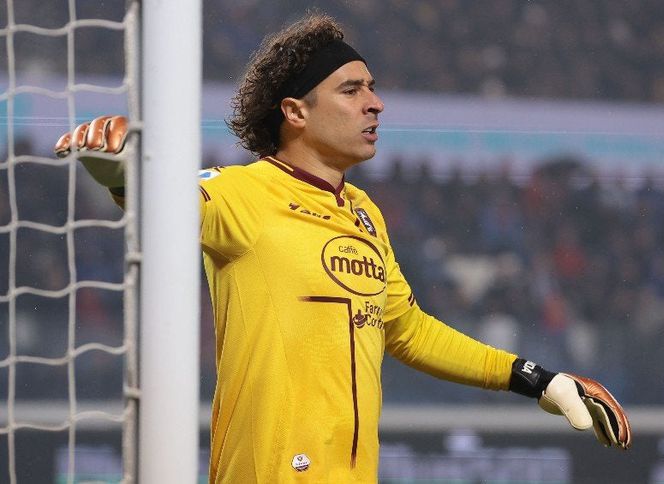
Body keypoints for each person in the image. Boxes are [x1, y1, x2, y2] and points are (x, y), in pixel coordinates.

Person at [55, 12, 630, 483]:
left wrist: (538, 379)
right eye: (352, 90)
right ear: (295, 112)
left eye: (372, 88)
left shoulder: (364, 212)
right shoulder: (242, 191)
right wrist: (124, 176)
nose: (375, 103)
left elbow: (408, 330)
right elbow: (171, 208)